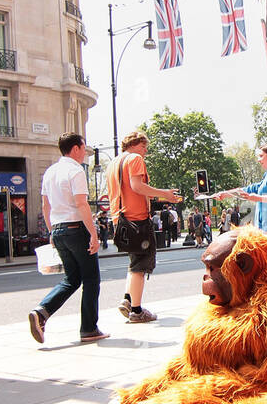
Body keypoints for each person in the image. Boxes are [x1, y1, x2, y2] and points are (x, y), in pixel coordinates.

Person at [28, 133, 108, 345]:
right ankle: (89, 328)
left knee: (71, 279)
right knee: (91, 279)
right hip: (76, 228)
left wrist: (51, 232)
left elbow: (46, 206)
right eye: (84, 148)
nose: (85, 152)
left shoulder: (50, 172)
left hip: (58, 229)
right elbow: (81, 204)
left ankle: (42, 312)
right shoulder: (75, 171)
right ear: (75, 148)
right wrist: (93, 233)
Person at [107, 132, 176, 323]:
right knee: (141, 263)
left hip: (119, 220)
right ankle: (136, 311)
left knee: (134, 262)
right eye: (144, 146)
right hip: (136, 218)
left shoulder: (113, 163)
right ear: (135, 144)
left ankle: (128, 300)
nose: (146, 151)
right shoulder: (135, 159)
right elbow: (137, 186)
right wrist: (164, 194)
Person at [218, 142, 267, 250]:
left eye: (261, 156)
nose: (259, 160)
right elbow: (246, 190)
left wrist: (256, 198)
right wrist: (225, 194)